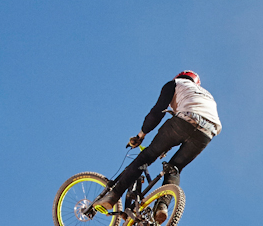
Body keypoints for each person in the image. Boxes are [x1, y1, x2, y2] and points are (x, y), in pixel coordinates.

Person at [94, 70, 221, 211]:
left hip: (185, 120)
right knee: (175, 169)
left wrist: (141, 135)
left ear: (179, 77)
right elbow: (191, 129)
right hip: (208, 133)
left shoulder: (176, 84)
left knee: (146, 156)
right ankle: (162, 207)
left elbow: (157, 112)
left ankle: (112, 196)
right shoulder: (207, 95)